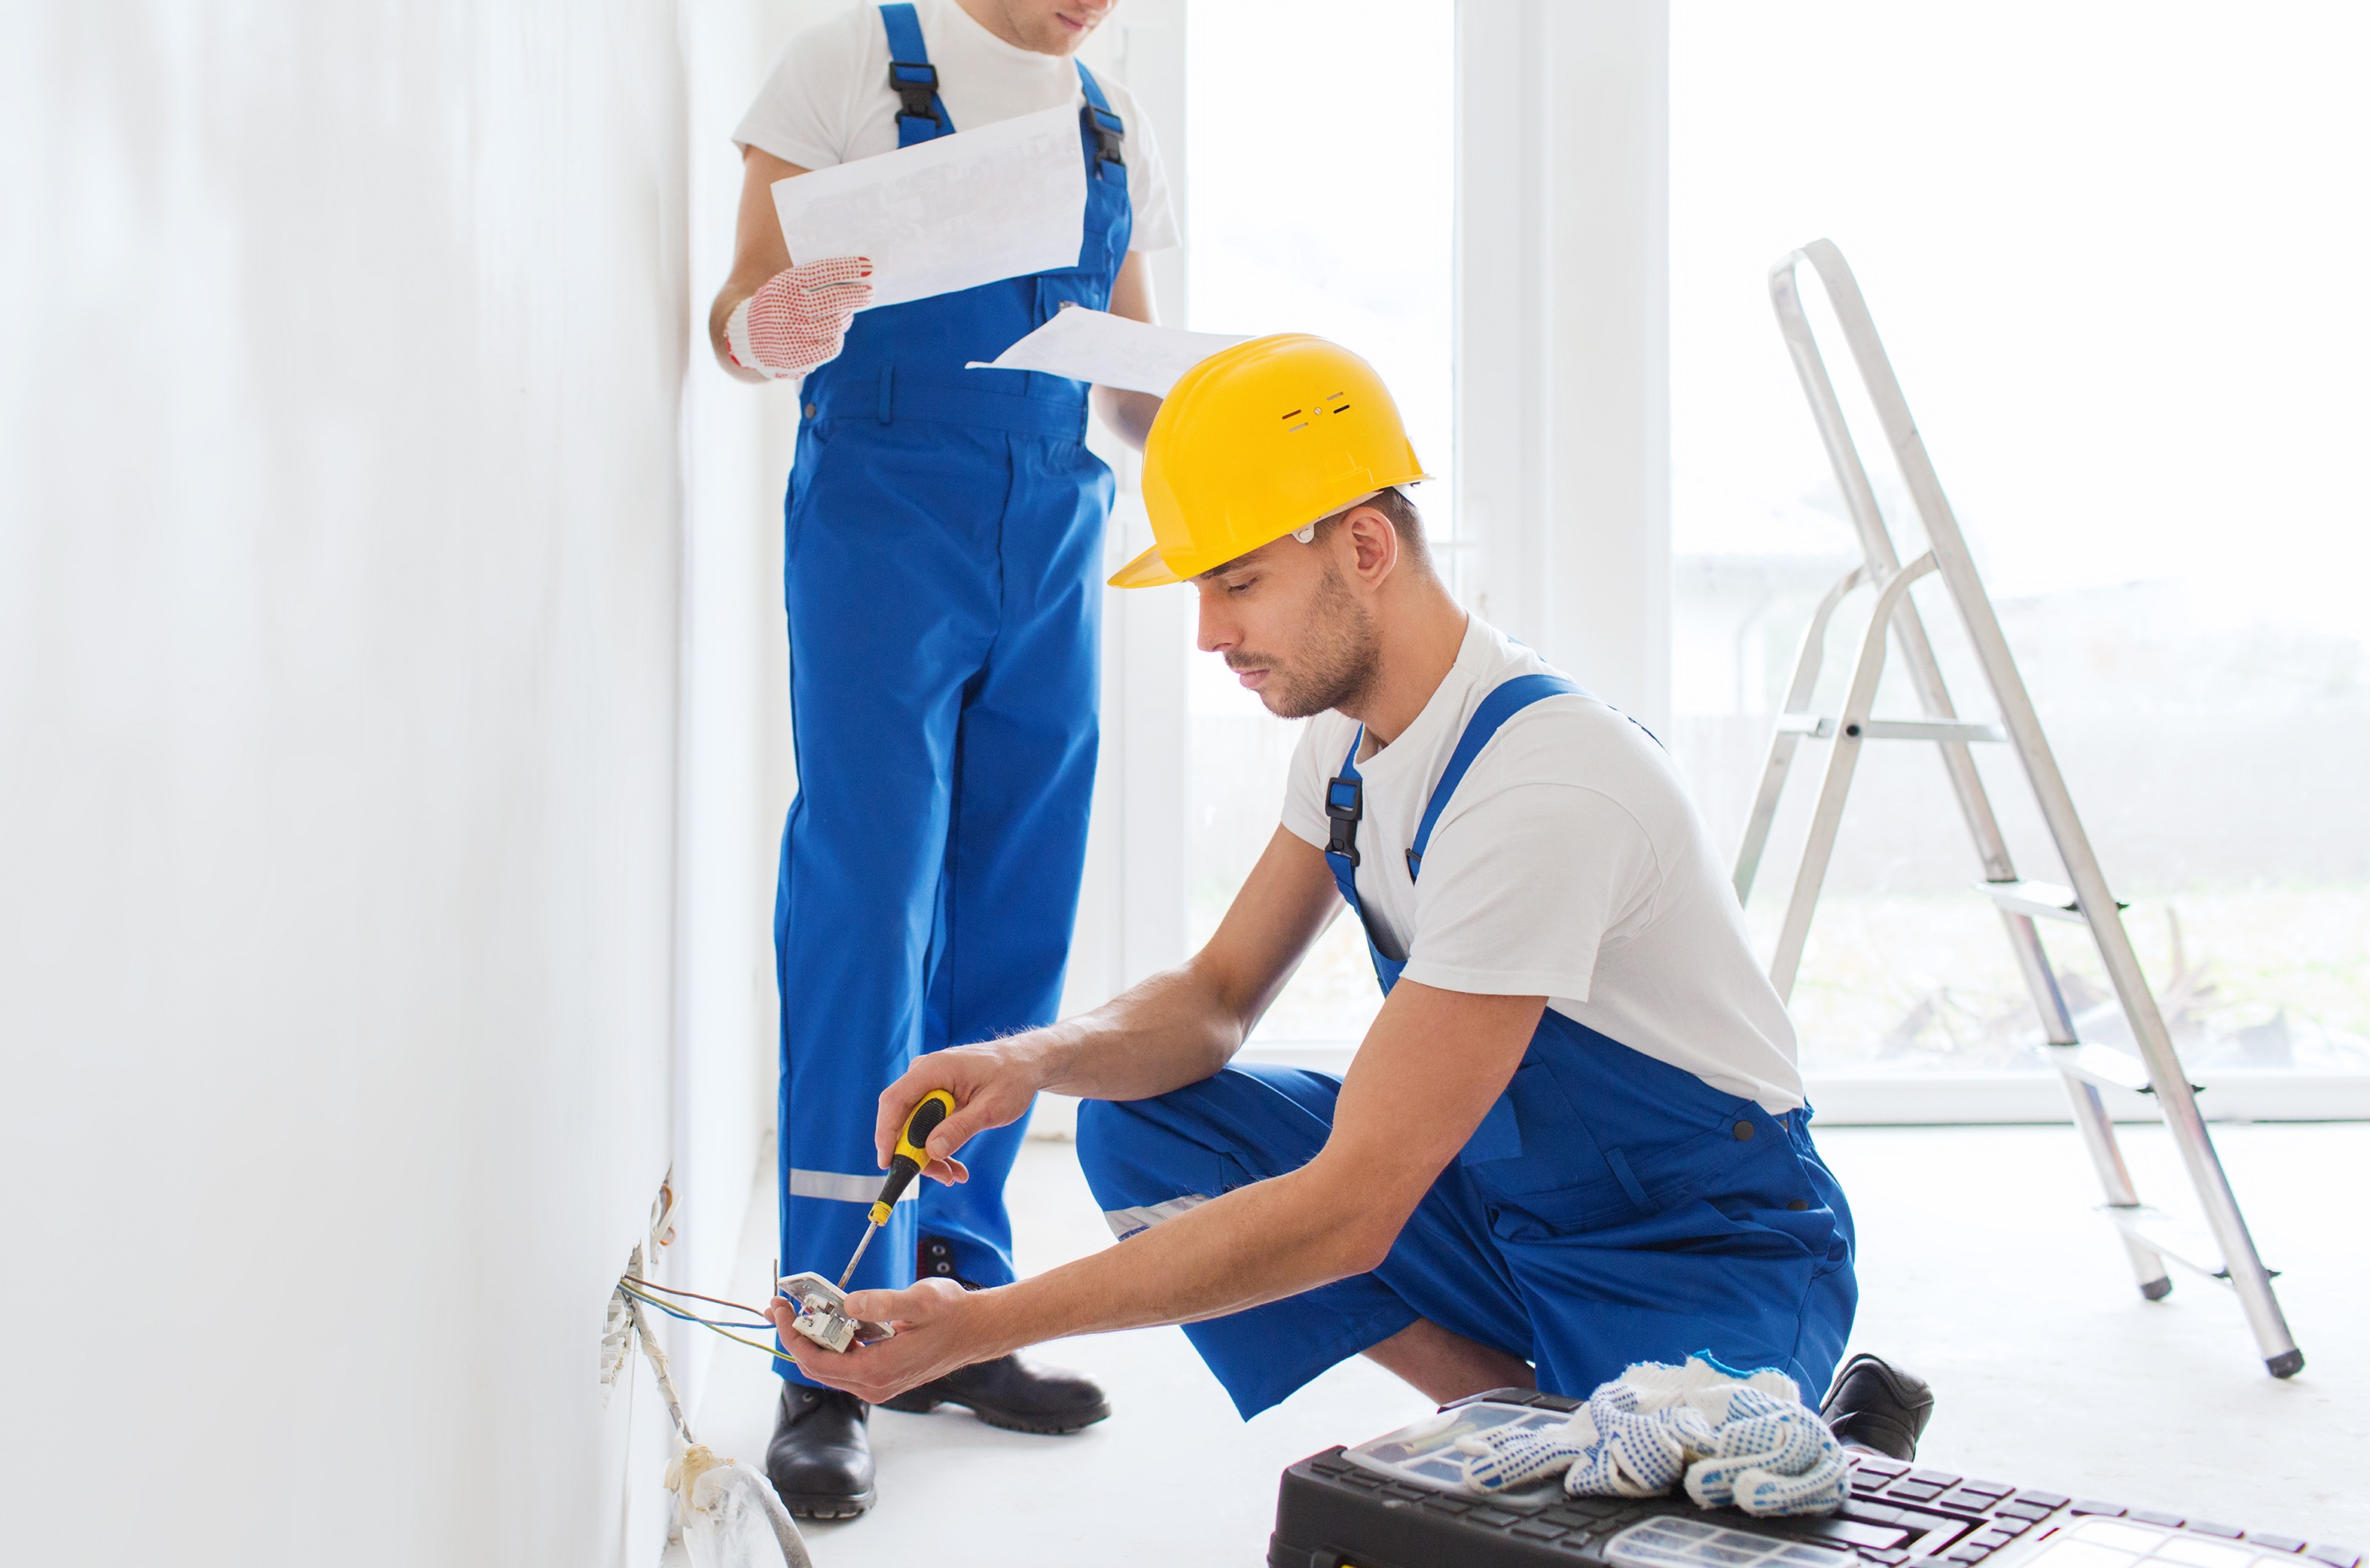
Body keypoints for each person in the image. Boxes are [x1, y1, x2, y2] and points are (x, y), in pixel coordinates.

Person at [770, 333, 1932, 1459]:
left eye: (1239, 583)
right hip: (1498, 1199)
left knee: (1650, 1509)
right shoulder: (1346, 743)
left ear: (1365, 547)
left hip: (1692, 1238)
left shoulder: (1545, 786)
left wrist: (982, 1325)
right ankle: (1517, 1405)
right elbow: (1217, 995)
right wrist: (1034, 1059)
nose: (1211, 633)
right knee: (1146, 1119)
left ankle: (1773, 1420)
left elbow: (1352, 1207)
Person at [709, 0, 1196, 1521]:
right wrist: (764, 326)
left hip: (1051, 538)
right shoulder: (853, 63)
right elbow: (740, 316)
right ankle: (823, 1343)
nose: (1094, 0)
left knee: (1010, 923)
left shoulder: (1106, 126)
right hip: (881, 534)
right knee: (863, 913)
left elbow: (1130, 383)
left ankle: (959, 1311)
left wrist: (1218, 435)